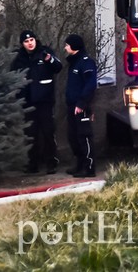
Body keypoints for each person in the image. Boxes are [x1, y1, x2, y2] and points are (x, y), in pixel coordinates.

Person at [10, 30, 63, 174]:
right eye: (26, 41)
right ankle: (32, 164)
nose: (30, 43)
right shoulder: (19, 58)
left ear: (35, 40)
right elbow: (13, 77)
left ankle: (51, 163)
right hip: (28, 103)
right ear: (23, 44)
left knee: (48, 132)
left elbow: (58, 67)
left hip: (45, 101)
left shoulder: (44, 52)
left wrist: (49, 59)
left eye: (32, 40)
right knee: (30, 134)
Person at [63, 34, 98, 177]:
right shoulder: (74, 63)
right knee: (73, 137)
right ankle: (79, 164)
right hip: (72, 106)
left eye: (67, 45)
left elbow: (90, 84)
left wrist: (82, 103)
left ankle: (89, 167)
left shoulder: (86, 62)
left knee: (84, 136)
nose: (65, 47)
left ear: (74, 46)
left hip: (81, 106)